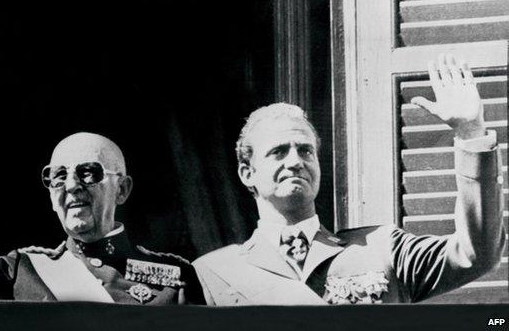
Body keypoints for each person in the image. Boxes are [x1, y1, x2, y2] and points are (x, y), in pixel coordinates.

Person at [192, 55, 506, 305]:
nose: (295, 161)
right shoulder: (213, 275)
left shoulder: (383, 251)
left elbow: (475, 253)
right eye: (278, 152)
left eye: (305, 150)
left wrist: (471, 134)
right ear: (248, 173)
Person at [0, 128, 204, 304]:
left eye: (88, 173)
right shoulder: (22, 270)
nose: (71, 186)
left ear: (121, 189)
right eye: (57, 176)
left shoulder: (175, 275)